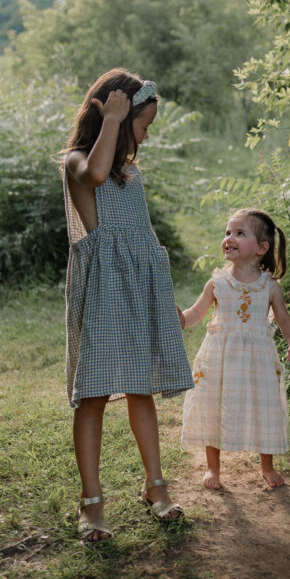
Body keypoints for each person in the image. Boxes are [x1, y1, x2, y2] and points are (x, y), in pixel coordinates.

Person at [63, 68, 194, 542]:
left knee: (142, 387)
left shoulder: (132, 173)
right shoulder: (79, 161)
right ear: (115, 116)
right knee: (94, 393)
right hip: (103, 288)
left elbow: (145, 240)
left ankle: (155, 487)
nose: (145, 136)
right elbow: (95, 174)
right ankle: (92, 501)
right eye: (142, 125)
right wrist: (114, 120)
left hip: (139, 288)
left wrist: (164, 299)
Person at [181, 208, 290, 489]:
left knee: (264, 406)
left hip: (258, 360)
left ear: (262, 248)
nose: (229, 238)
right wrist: (181, 319)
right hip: (219, 357)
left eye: (239, 233)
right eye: (227, 232)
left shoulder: (269, 287)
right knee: (213, 404)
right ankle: (213, 468)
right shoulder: (217, 283)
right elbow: (195, 313)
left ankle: (267, 466)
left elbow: (284, 318)